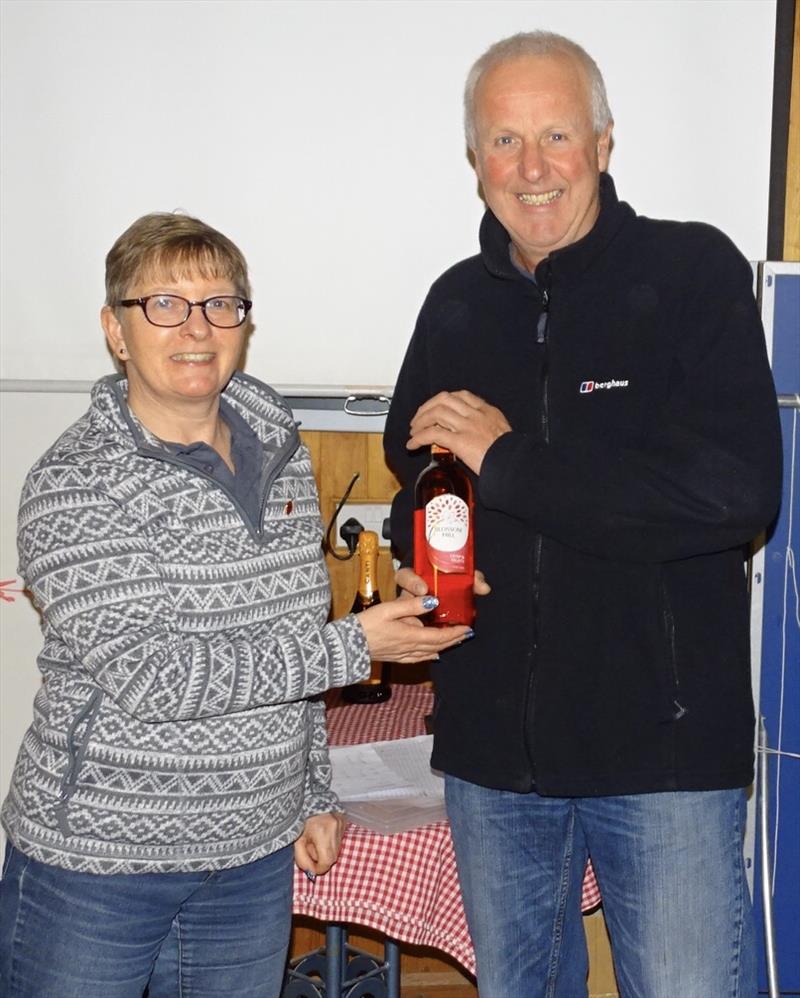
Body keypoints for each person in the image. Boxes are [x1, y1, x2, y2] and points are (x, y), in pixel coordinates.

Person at [384, 31, 782, 998]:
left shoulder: (694, 274)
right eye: (504, 141)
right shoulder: (454, 304)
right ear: (474, 158)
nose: (532, 168)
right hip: (492, 756)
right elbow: (415, 480)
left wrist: (511, 458)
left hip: (664, 754)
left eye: (556, 135)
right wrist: (419, 552)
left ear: (604, 142)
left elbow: (733, 497)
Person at [0, 212, 469, 998]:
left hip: (250, 864)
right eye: (165, 304)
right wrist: (356, 646)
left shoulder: (278, 448)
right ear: (116, 331)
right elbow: (154, 679)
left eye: (222, 303)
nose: (198, 326)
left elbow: (286, 642)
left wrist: (310, 797)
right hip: (101, 867)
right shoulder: (77, 481)